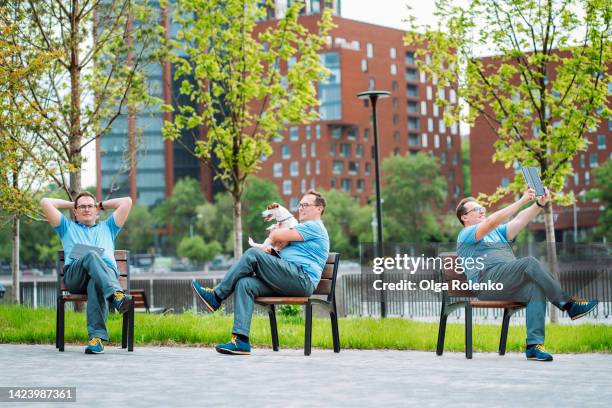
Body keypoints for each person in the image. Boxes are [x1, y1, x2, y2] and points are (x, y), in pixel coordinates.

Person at [456, 187, 598, 361]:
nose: (482, 211)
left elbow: (519, 221)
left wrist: (538, 203)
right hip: (487, 283)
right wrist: (522, 200)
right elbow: (491, 221)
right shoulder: (466, 234)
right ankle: (569, 305)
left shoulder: (496, 233)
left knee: (534, 289)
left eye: (483, 209)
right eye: (477, 209)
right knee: (529, 262)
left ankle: (534, 345)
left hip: (505, 281)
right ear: (465, 217)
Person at [192, 190, 330, 355]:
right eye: (299, 205)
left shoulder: (314, 227)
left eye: (305, 205)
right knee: (245, 284)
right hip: (288, 278)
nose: (300, 208)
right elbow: (280, 243)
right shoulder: (300, 229)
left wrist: (276, 233)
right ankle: (241, 341)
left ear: (319, 209)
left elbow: (276, 234)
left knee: (253, 254)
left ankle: (216, 296)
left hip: (301, 279)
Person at [41, 192, 133, 354]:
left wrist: (101, 204)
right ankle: (116, 296)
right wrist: (72, 204)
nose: (86, 209)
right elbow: (45, 202)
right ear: (75, 211)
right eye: (82, 207)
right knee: (91, 255)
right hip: (77, 277)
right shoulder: (67, 227)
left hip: (102, 278)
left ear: (97, 210)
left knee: (96, 282)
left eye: (90, 206)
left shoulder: (108, 227)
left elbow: (126, 201)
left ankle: (96, 339)